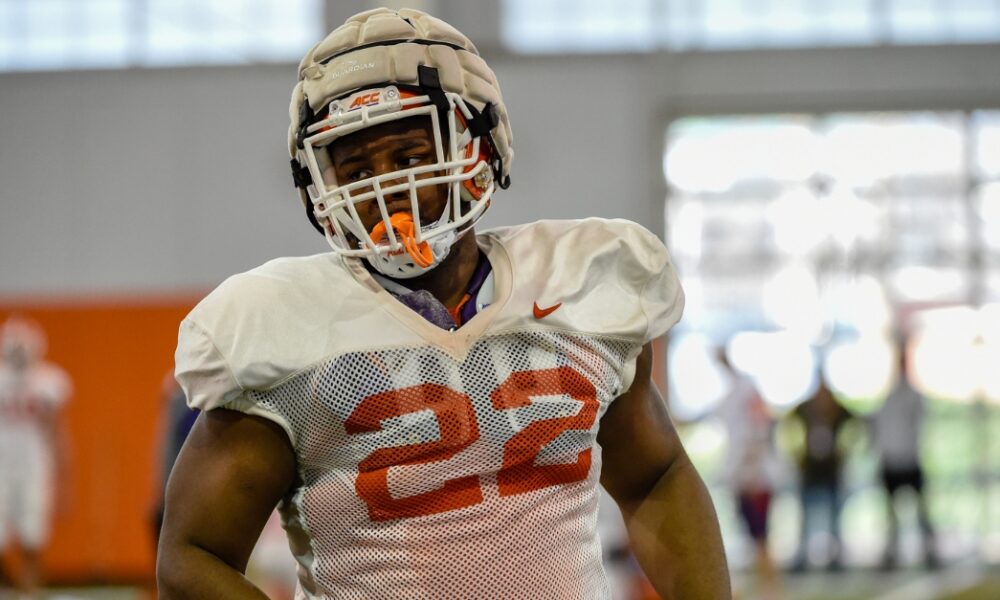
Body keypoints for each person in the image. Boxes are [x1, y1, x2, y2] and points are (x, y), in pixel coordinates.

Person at [156, 7, 730, 599]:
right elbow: (191, 555)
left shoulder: (579, 289)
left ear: (480, 148)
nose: (385, 187)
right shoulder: (285, 328)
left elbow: (656, 477)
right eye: (355, 168)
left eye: (408, 158)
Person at [0, 316, 72, 597]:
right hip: (2, 467)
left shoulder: (48, 383)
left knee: (33, 535)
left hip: (35, 468)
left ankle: (29, 591)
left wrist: (66, 479)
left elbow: (58, 432)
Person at [717, 348, 783, 600]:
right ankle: (767, 587)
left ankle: (770, 589)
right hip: (744, 479)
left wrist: (751, 472)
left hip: (755, 480)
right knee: (754, 538)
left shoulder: (746, 391)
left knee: (760, 538)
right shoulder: (734, 394)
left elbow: (758, 434)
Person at [871, 337, 937, 570]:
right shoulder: (889, 396)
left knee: (921, 511)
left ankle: (929, 550)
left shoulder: (912, 396)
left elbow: (918, 422)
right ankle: (893, 552)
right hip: (891, 461)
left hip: (909, 460)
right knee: (891, 515)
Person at [788, 374, 855, 572]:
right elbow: (787, 426)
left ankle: (835, 557)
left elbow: (855, 427)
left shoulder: (838, 411)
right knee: (806, 516)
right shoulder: (805, 409)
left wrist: (845, 452)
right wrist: (796, 453)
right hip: (810, 470)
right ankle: (803, 556)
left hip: (831, 470)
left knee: (834, 516)